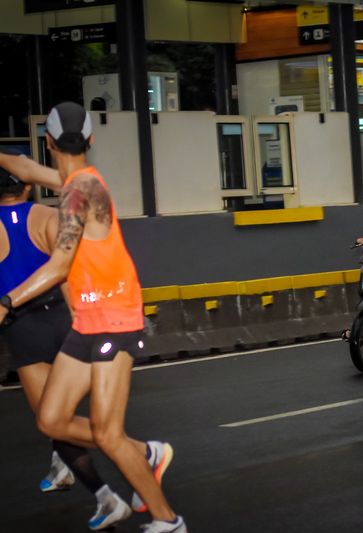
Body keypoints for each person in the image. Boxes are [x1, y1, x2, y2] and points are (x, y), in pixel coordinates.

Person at [0, 102, 187, 533]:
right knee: (51, 419)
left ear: (47, 141)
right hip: (87, 320)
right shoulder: (77, 182)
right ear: (90, 140)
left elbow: (60, 265)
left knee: (107, 434)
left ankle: (168, 521)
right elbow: (22, 167)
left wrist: (6, 303)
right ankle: (147, 454)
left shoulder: (79, 192)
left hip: (115, 320)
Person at [0, 164, 137, 530]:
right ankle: (130, 467)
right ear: (26, 187)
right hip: (63, 318)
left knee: (53, 422)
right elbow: (65, 270)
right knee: (68, 415)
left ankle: (109, 494)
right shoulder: (46, 215)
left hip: (22, 327)